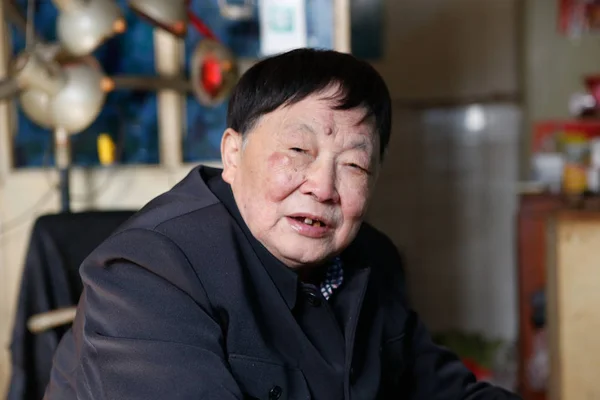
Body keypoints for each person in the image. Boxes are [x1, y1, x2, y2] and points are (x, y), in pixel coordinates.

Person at [44, 48, 520, 399]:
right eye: (298, 151)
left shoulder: (371, 259)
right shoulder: (149, 273)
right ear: (232, 153)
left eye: (353, 166)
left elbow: (438, 389)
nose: (322, 186)